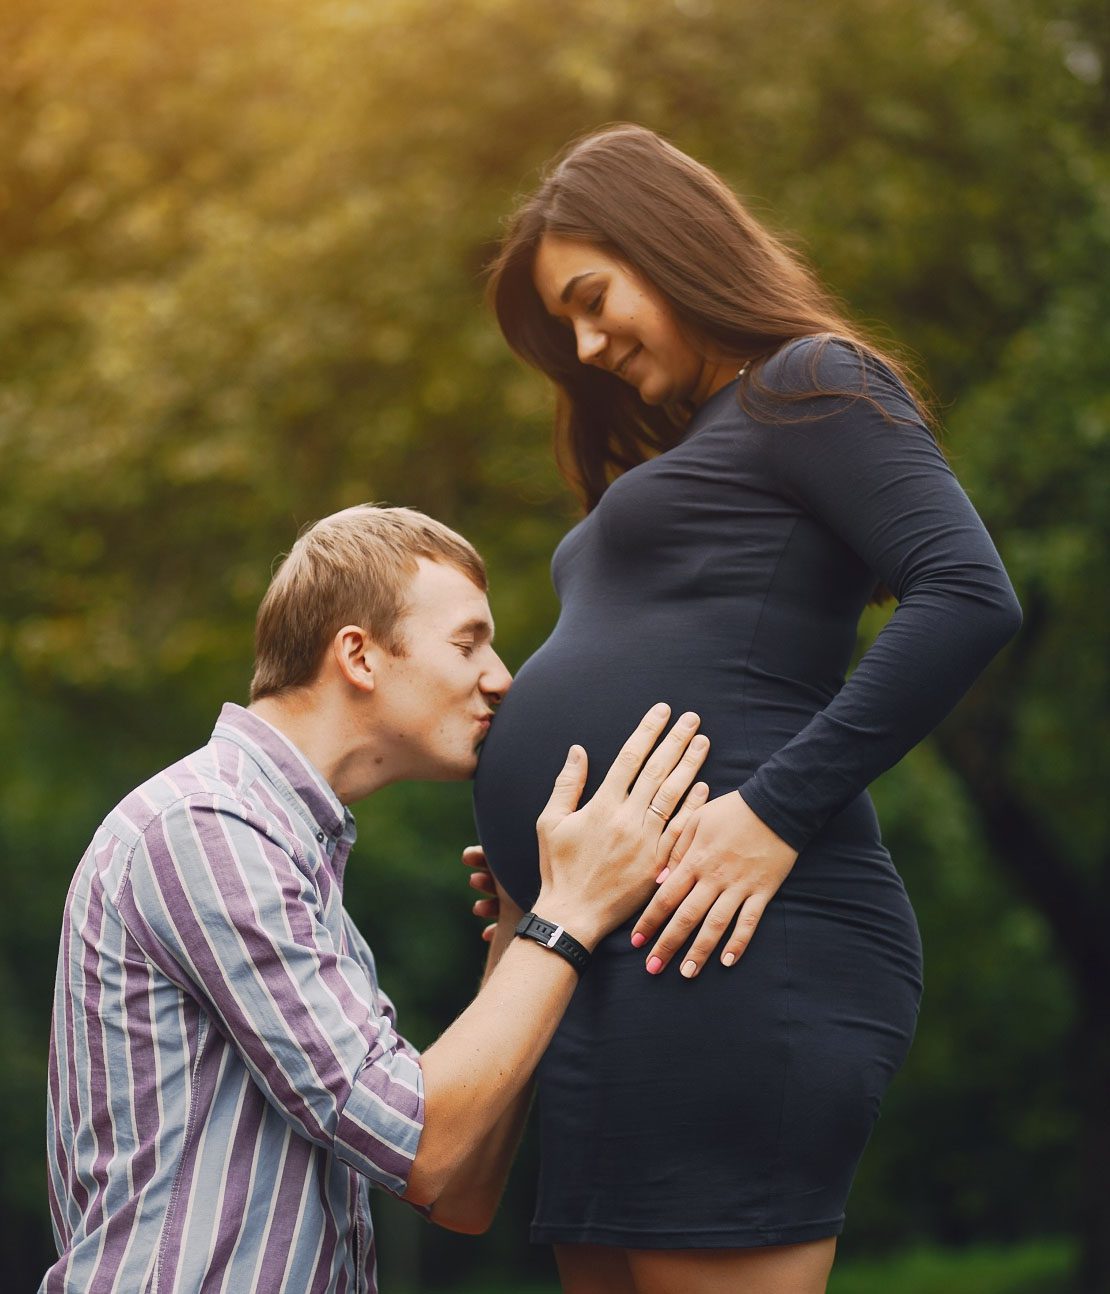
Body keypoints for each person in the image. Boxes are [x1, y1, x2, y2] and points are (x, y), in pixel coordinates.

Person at [474, 124, 1023, 1294]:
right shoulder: (703, 448)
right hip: (610, 953)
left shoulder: (810, 384)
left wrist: (770, 812)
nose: (586, 342)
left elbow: (969, 594)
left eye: (592, 297)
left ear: (666, 242)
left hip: (740, 943)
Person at [39, 503, 710, 1294]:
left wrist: (522, 933)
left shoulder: (293, 865)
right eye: (468, 643)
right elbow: (422, 1147)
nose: (500, 677)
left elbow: (457, 1191)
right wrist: (572, 911)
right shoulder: (206, 829)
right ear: (358, 655)